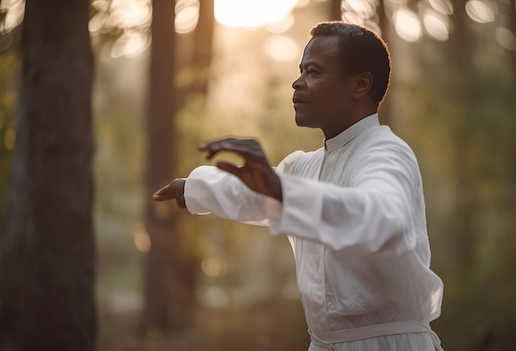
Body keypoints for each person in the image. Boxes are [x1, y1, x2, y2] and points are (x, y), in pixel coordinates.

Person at [153, 21, 443, 351]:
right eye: (301, 70)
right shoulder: (306, 166)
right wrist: (192, 188)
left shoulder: (386, 153)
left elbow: (379, 216)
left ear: (360, 84)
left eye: (314, 72)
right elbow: (253, 193)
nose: (297, 82)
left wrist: (279, 189)